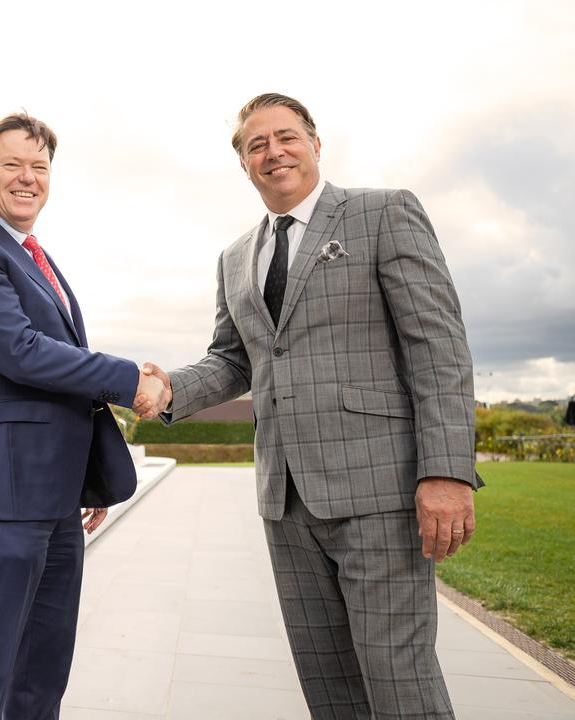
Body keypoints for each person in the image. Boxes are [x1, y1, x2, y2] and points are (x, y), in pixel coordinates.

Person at [137, 93, 481, 719]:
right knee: (329, 686)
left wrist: (448, 470)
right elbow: (234, 360)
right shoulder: (235, 257)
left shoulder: (383, 214)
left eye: (286, 137)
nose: (274, 152)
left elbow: (439, 348)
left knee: (398, 679)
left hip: (380, 492)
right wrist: (168, 390)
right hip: (286, 501)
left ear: (316, 144)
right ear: (243, 164)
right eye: (256, 145)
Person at [0, 112, 166, 719]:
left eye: (39, 168)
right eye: (12, 165)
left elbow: (60, 372)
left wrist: (84, 476)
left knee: (41, 675)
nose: (28, 178)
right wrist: (131, 379)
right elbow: (20, 353)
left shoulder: (35, 256)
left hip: (52, 499)